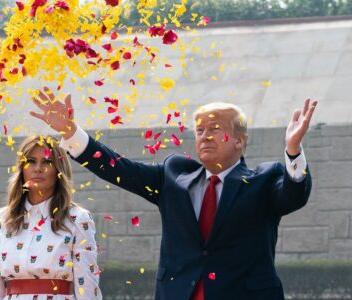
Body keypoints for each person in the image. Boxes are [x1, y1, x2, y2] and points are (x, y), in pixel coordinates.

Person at [30, 87, 317, 300]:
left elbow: (293, 195)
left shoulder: (264, 180)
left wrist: (293, 150)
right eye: (200, 130)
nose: (204, 136)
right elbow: (119, 168)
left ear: (239, 140)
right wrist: (71, 132)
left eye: (215, 129)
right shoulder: (173, 176)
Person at [0, 135, 102, 300]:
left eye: (47, 162)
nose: (38, 168)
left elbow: (87, 287)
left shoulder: (78, 219)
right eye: (31, 161)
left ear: (59, 170)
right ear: (22, 168)